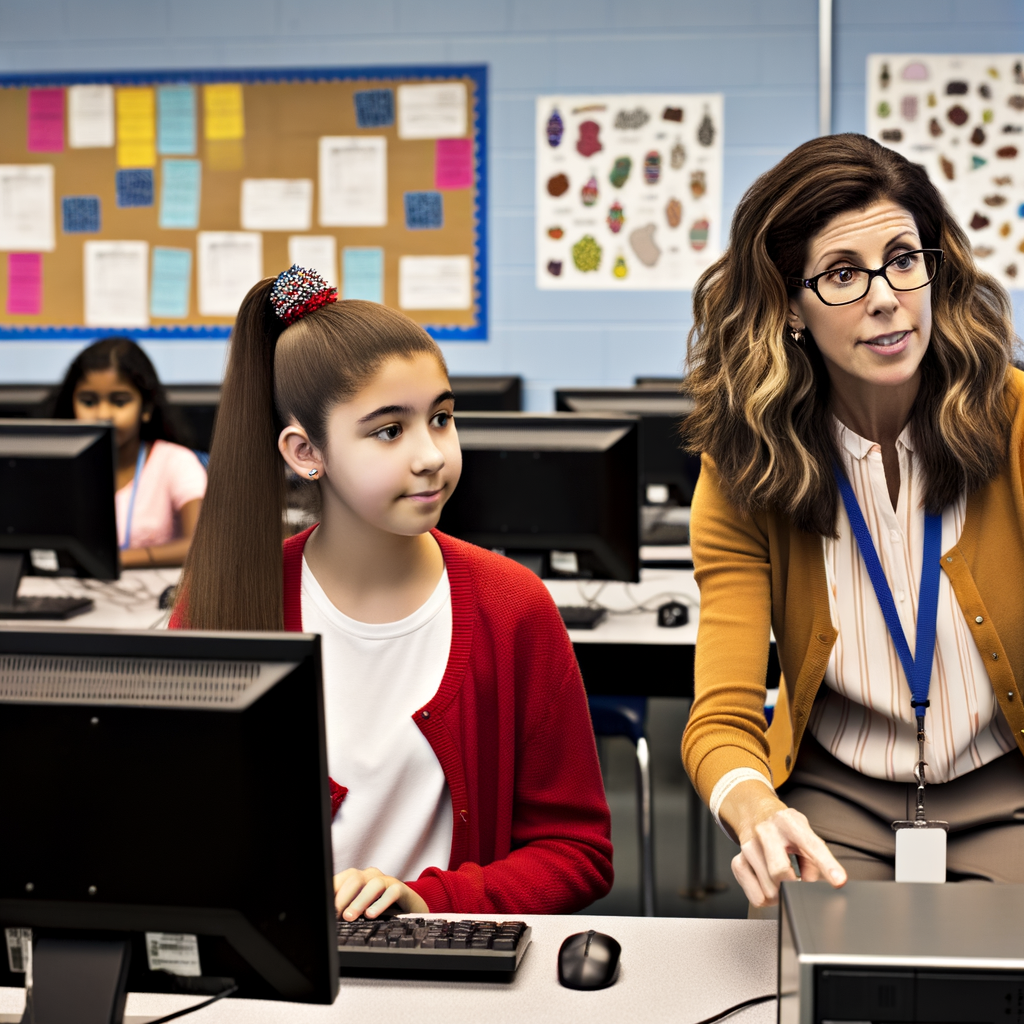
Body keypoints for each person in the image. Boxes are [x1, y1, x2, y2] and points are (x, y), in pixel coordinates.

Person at [171, 267, 613, 920]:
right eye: (389, 430)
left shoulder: (512, 606)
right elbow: (170, 841)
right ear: (304, 451)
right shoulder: (225, 609)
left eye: (441, 418)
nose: (431, 454)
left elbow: (577, 852)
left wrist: (429, 900)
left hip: (450, 985)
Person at [681, 133, 1024, 909]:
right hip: (834, 800)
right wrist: (755, 805)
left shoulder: (1017, 422)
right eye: (842, 274)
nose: (884, 296)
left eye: (904, 259)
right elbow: (721, 717)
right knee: (823, 985)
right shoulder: (746, 464)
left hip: (1006, 790)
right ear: (789, 309)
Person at [52, 336, 206, 568]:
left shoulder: (175, 461)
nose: (103, 414)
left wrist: (115, 560)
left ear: (145, 408)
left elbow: (201, 546)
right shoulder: (58, 467)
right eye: (89, 401)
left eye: (119, 402)